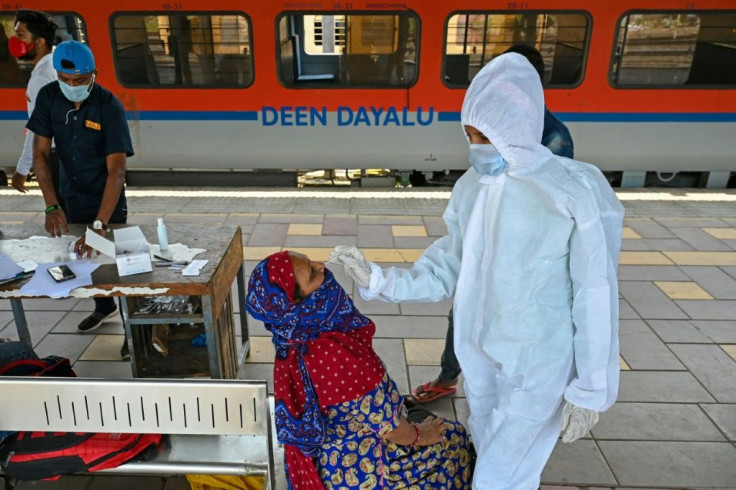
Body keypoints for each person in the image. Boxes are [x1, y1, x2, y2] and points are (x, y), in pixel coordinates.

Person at [331, 52, 624, 489]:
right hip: (482, 360)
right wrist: (380, 280)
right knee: (494, 461)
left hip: (538, 367)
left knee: (496, 477)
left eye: (483, 134)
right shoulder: (472, 188)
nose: (475, 145)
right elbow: (448, 264)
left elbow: (595, 293)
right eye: (468, 134)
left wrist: (592, 388)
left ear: (516, 125)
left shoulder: (572, 191)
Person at [413, 43, 575, 403]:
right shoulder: (493, 125)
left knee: (503, 346)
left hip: (520, 275)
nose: (477, 146)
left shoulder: (554, 139)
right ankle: (451, 376)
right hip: (486, 260)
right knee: (465, 314)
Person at [245, 251, 471, 489]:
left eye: (312, 261)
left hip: (327, 459)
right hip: (363, 469)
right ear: (299, 305)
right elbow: (390, 429)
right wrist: (421, 435)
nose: (321, 266)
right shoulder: (334, 354)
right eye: (311, 273)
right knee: (453, 437)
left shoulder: (291, 342)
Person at [26, 40, 134, 358]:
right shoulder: (48, 98)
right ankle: (104, 307)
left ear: (93, 75)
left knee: (119, 266)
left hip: (108, 201)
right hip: (71, 195)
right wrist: (51, 204)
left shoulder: (108, 106)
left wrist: (100, 224)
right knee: (83, 259)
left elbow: (116, 172)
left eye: (80, 80)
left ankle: (133, 329)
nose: (72, 86)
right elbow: (41, 154)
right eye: (65, 80)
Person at [8, 10, 63, 207]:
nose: (14, 41)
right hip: (66, 152)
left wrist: (22, 169)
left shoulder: (41, 77)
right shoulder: (55, 62)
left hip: (57, 156)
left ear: (40, 42)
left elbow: (37, 128)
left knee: (63, 215)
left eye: (21, 35)